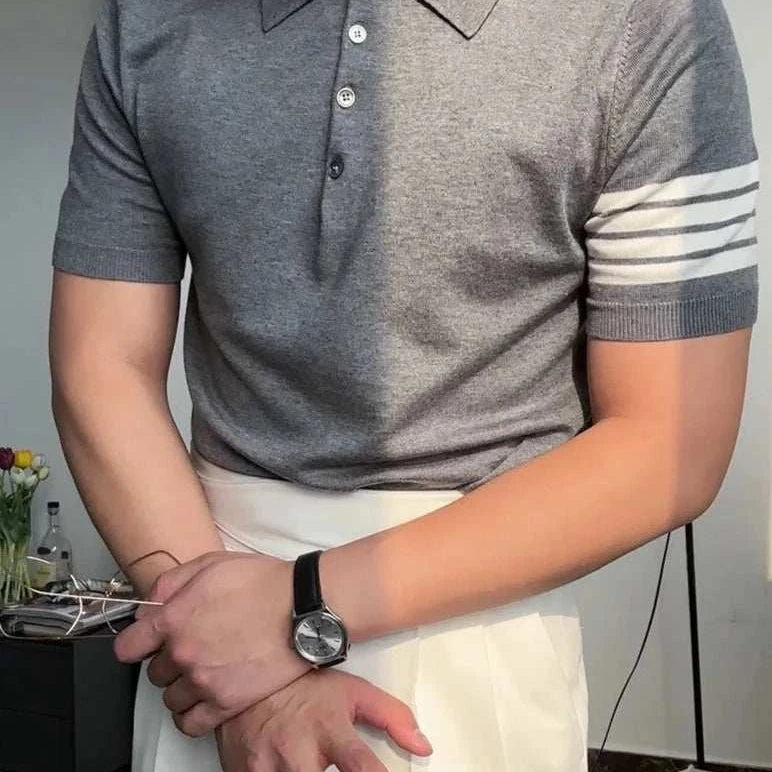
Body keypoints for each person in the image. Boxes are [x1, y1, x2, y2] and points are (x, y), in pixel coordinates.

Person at [49, 0, 759, 768]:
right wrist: (223, 646)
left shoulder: (645, 21)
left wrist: (293, 611)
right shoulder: (146, 18)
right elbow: (100, 367)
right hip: (204, 614)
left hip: (475, 627)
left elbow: (673, 440)